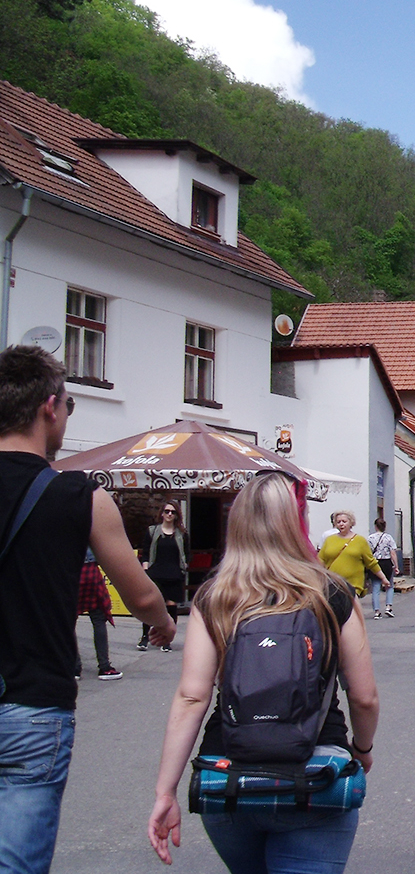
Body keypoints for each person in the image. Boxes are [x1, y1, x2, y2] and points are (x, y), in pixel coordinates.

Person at [147, 473, 379, 873]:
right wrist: (362, 748)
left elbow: (192, 697)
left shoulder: (216, 595)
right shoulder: (331, 593)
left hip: (229, 776)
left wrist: (165, 790)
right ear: (296, 522)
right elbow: (363, 696)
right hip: (317, 773)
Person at [0, 345, 174, 874]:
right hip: (33, 702)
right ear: (50, 407)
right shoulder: (79, 495)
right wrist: (164, 623)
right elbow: (141, 595)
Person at [139, 499, 188, 651]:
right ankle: (145, 637)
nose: (169, 514)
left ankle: (167, 639)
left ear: (176, 515)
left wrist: (184, 568)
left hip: (174, 574)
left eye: (172, 512)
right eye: (166, 511)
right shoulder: (153, 531)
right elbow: (145, 552)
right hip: (156, 573)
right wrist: (146, 568)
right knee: (152, 605)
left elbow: (187, 554)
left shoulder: (182, 534)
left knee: (171, 606)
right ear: (161, 513)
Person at [319, 510, 390, 601]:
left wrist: (383, 578)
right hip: (333, 585)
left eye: (344, 521)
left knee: (352, 613)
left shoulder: (360, 541)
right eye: (338, 522)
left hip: (353, 586)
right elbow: (320, 560)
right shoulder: (329, 540)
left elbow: (371, 563)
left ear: (351, 523)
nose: (341, 524)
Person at [76, 548, 120, 680]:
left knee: (68, 622)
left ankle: (74, 668)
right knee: (98, 618)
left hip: (69, 569)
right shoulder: (90, 525)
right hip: (90, 568)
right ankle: (104, 667)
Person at [368, 517, 398, 619]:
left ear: (375, 526)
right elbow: (393, 553)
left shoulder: (370, 538)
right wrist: (396, 566)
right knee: (389, 585)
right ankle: (388, 607)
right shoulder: (389, 537)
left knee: (376, 588)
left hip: (375, 563)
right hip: (386, 563)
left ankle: (376, 611)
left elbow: (367, 553)